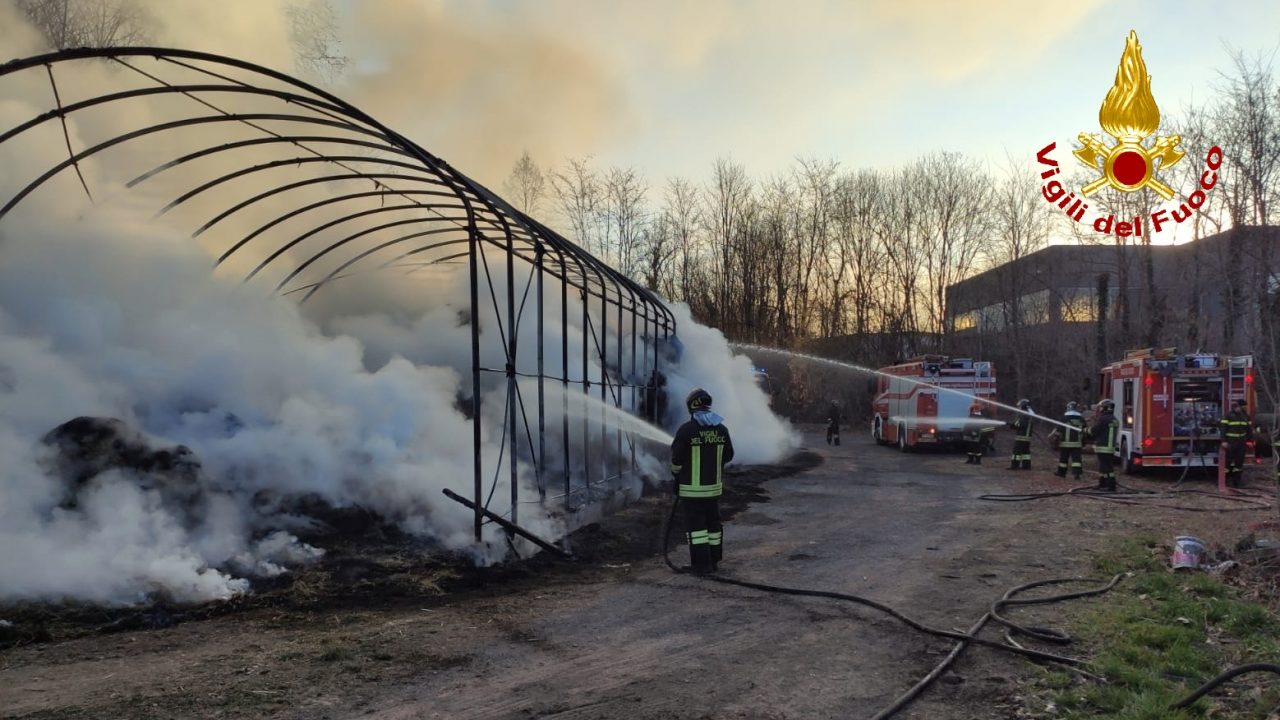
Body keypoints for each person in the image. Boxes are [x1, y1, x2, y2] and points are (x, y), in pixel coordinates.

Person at [671, 387, 735, 575]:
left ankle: (701, 565)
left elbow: (676, 460)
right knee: (713, 526)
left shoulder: (686, 430)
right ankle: (713, 561)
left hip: (692, 492)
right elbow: (729, 455)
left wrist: (677, 475)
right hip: (714, 490)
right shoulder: (721, 429)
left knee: (697, 529)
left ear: (690, 406)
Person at [1219, 398, 1253, 488]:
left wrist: (1250, 440)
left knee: (1239, 463)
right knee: (1227, 462)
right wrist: (1223, 441)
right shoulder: (1228, 415)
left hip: (1241, 442)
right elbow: (1223, 429)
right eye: (1243, 407)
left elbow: (1249, 430)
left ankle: (1237, 482)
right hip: (1230, 442)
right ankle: (1225, 481)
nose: (1245, 408)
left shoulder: (1245, 416)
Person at [1086, 399, 1119, 491]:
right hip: (1110, 447)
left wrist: (1086, 430)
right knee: (1103, 466)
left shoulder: (1103, 419)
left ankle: (1111, 486)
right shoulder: (1114, 419)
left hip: (1103, 447)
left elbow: (1095, 431)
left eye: (1101, 407)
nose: (1100, 409)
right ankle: (1102, 483)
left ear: (1105, 408)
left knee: (1107, 467)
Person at [1053, 401, 1086, 480]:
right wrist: (1084, 441)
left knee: (1063, 460)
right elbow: (1085, 430)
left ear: (1069, 408)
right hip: (1077, 443)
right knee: (1076, 460)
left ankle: (1061, 473)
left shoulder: (1064, 418)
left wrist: (1055, 440)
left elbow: (1059, 430)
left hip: (1065, 443)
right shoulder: (1081, 419)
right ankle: (1077, 474)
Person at [1008, 398, 1035, 470]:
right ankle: (1026, 466)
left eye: (1019, 406)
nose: (1018, 407)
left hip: (1021, 436)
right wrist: (1013, 424)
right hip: (1027, 437)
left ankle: (1014, 466)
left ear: (1023, 406)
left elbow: (1021, 425)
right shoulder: (1029, 413)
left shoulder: (1024, 414)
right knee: (1025, 452)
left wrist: (1012, 425)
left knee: (1016, 451)